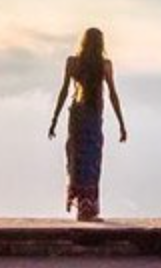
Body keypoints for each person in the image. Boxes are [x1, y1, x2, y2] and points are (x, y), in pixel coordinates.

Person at [48, 27, 127, 221]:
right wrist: (121, 124)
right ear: (101, 44)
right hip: (92, 117)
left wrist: (55, 120)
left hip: (77, 117)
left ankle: (82, 207)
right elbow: (113, 96)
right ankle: (88, 207)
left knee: (77, 159)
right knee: (92, 160)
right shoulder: (105, 65)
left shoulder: (73, 63)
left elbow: (64, 92)